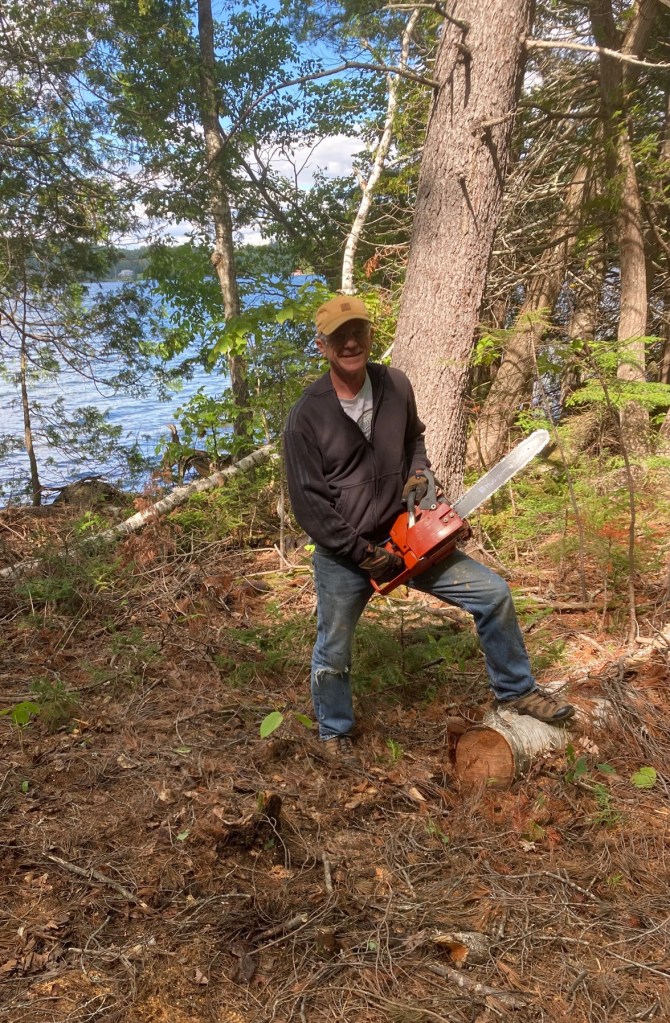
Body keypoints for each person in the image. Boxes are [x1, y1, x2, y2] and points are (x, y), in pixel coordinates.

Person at [283, 296, 574, 762]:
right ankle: (334, 732)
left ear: (370, 335)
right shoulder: (306, 417)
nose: (351, 342)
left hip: (406, 533)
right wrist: (360, 553)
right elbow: (310, 507)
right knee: (333, 648)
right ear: (323, 345)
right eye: (339, 336)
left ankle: (516, 689)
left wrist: (420, 473)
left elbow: (414, 437)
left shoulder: (395, 384)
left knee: (493, 593)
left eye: (358, 330)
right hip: (344, 554)